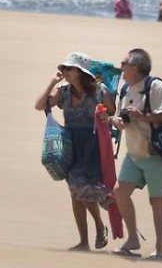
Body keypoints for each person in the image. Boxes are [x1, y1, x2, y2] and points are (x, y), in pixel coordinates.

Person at [34, 52, 117, 251]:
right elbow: (39, 106)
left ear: (80, 71)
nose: (64, 72)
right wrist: (51, 84)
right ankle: (85, 240)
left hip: (92, 144)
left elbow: (112, 111)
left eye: (68, 69)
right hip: (70, 144)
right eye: (63, 68)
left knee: (80, 187)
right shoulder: (62, 91)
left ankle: (98, 224)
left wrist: (103, 114)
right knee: (75, 192)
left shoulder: (99, 91)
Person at [109, 49, 162, 261]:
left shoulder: (155, 87)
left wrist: (144, 117)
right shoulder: (126, 88)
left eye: (124, 63)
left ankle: (160, 250)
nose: (120, 67)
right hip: (134, 153)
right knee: (120, 192)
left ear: (136, 68)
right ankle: (132, 240)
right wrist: (115, 121)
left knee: (156, 201)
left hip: (156, 154)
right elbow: (122, 118)